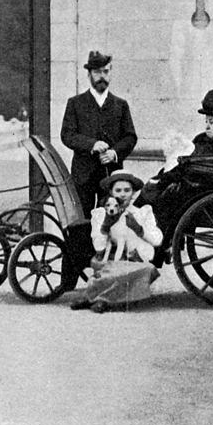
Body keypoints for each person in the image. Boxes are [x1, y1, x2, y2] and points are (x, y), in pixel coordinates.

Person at [60, 50, 138, 289]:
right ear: (89, 75)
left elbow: (130, 137)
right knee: (80, 225)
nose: (102, 76)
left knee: (111, 226)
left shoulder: (120, 105)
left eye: (106, 71)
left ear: (110, 73)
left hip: (110, 178)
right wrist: (92, 145)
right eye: (97, 72)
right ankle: (69, 280)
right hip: (83, 175)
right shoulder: (76, 104)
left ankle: (111, 280)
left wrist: (114, 152)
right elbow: (67, 135)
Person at [70, 171, 163, 313]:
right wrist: (105, 226)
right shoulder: (101, 213)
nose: (123, 194)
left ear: (133, 193)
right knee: (113, 269)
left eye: (127, 190)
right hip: (109, 258)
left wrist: (139, 229)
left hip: (135, 260)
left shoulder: (142, 212)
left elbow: (157, 240)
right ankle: (102, 300)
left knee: (147, 269)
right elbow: (98, 246)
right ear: (111, 193)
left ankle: (94, 298)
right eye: (118, 190)